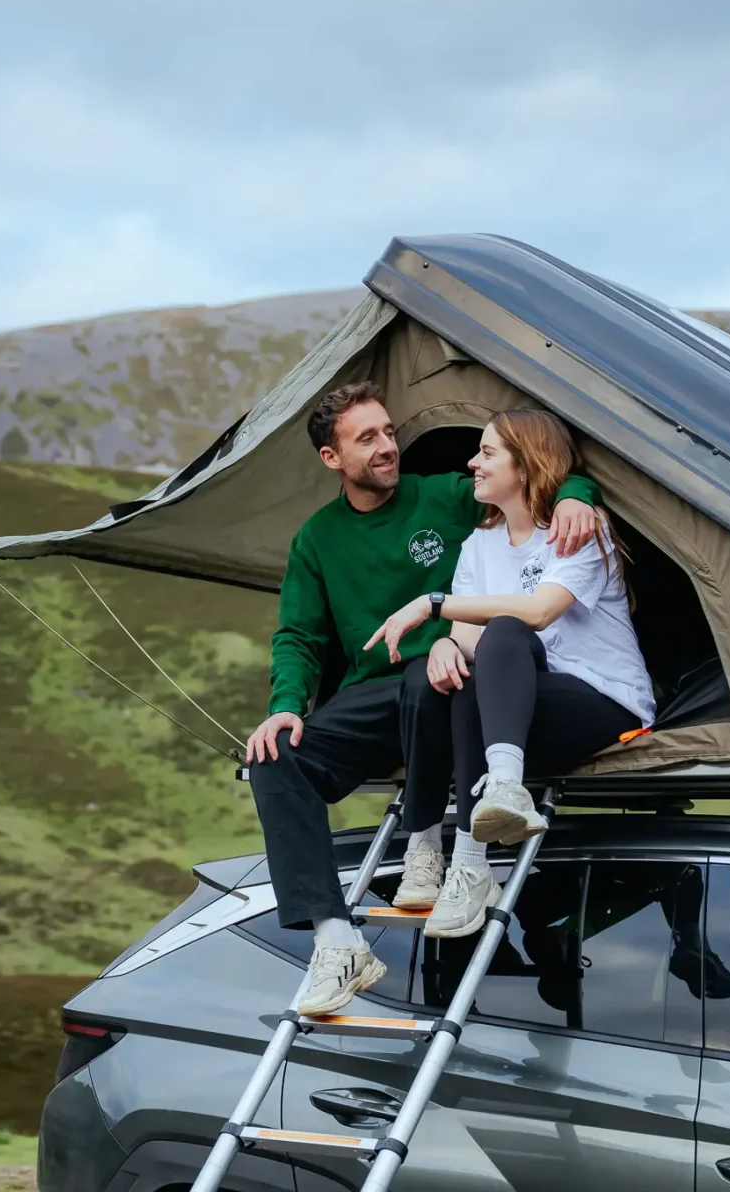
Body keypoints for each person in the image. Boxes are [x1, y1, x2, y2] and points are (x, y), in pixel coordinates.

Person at [244, 383, 604, 1016]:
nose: (387, 447)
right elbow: (299, 635)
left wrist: (578, 495)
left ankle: (426, 843)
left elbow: (531, 480)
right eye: (368, 439)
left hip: (452, 681)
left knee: (429, 676)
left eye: (388, 432)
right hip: (374, 697)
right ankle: (336, 940)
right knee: (273, 755)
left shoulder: (444, 495)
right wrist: (287, 705)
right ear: (332, 459)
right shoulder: (317, 539)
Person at [364, 408, 656, 939]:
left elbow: (540, 612)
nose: (472, 463)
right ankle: (469, 864)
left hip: (602, 700)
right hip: (518, 712)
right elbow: (468, 639)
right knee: (455, 678)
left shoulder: (576, 530)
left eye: (488, 453)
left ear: (524, 468)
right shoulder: (479, 543)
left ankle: (499, 795)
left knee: (506, 629)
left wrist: (434, 605)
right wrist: (445, 648)